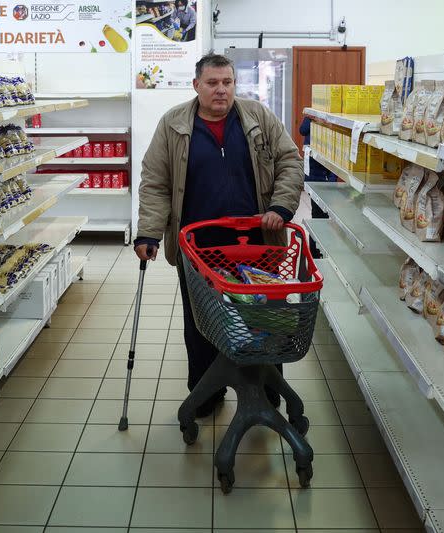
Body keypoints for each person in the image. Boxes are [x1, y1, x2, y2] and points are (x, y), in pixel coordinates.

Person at [134, 53, 303, 417]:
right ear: (197, 85)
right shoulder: (174, 124)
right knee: (202, 323)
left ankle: (268, 390)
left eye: (227, 82)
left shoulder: (258, 117)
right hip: (199, 247)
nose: (221, 90)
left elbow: (290, 160)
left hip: (258, 243)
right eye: (212, 83)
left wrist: (280, 208)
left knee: (265, 318)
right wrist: (148, 231)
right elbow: (155, 182)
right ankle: (206, 393)